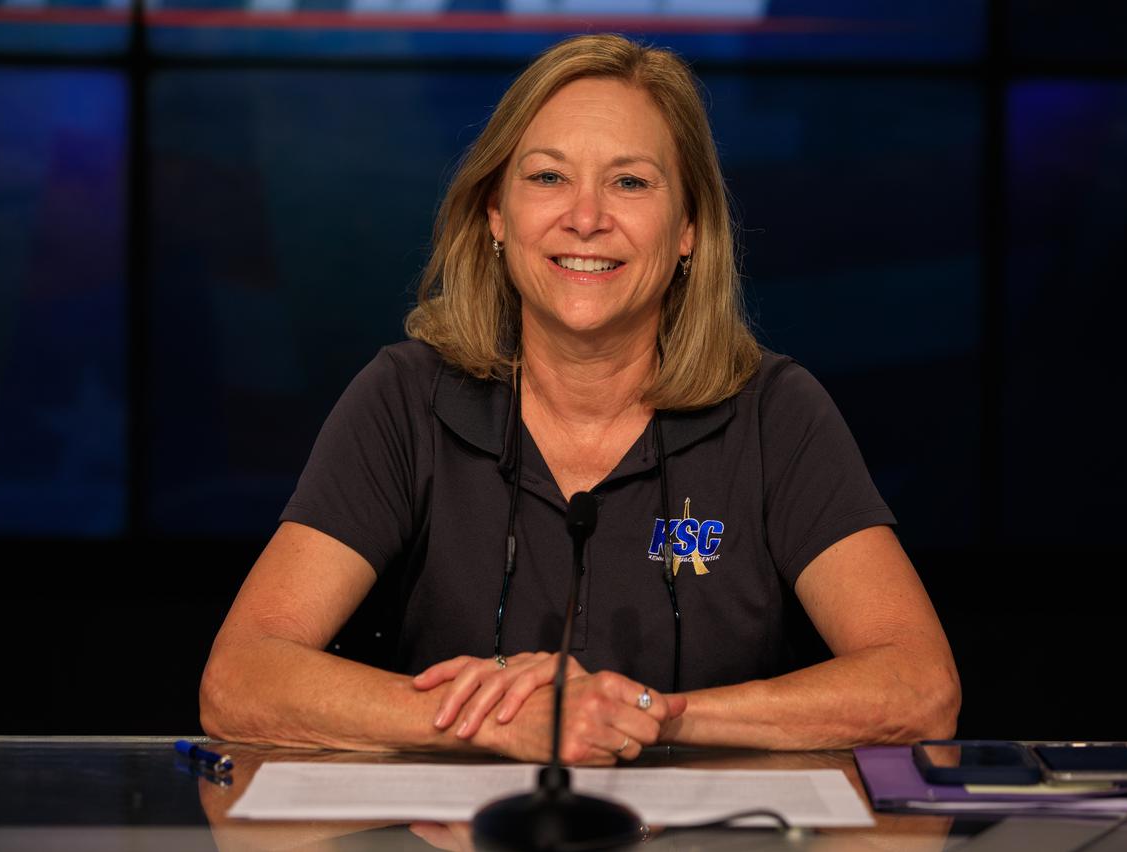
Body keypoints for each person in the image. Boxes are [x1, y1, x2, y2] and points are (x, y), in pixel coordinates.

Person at [199, 34, 960, 765]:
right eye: (548, 177)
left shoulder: (777, 412)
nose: (586, 216)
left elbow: (920, 689)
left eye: (630, 181)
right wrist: (503, 722)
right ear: (496, 214)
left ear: (689, 227)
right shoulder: (404, 398)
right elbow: (240, 681)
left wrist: (643, 717)